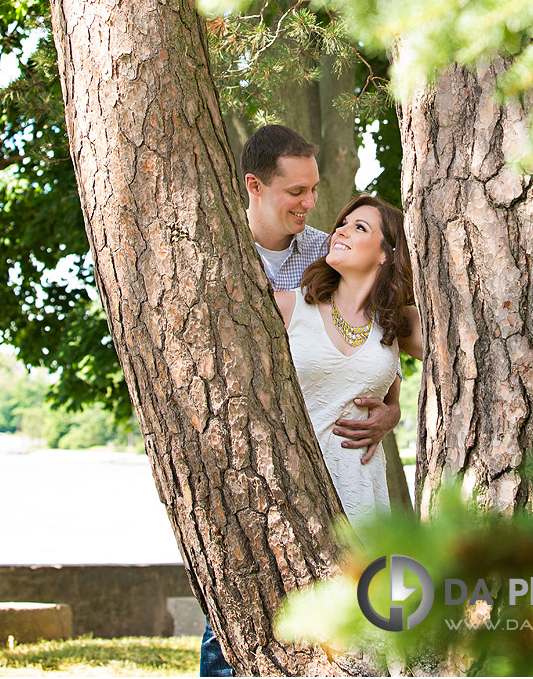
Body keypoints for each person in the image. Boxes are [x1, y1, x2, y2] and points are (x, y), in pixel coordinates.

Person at [200, 126, 409, 676]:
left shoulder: (326, 252)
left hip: (347, 478)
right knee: (239, 626)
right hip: (248, 470)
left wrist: (391, 409)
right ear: (255, 186)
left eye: (315, 190)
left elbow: (376, 348)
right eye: (297, 192)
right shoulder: (222, 255)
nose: (312, 204)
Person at [274, 194, 422, 527]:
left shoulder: (395, 324)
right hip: (295, 490)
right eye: (341, 224)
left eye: (358, 227)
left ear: (386, 253)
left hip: (363, 493)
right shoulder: (288, 307)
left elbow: (468, 345)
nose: (340, 231)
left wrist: (393, 414)